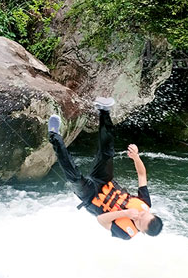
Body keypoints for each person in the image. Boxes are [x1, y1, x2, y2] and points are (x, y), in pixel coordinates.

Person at [48, 98, 163, 240]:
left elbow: (101, 220)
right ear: (151, 213)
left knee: (74, 177)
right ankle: (104, 111)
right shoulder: (145, 204)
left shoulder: (126, 233)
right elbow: (142, 175)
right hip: (105, 182)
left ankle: (54, 135)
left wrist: (125, 214)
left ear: (143, 231)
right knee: (107, 153)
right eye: (144, 215)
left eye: (140, 221)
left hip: (90, 197)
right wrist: (136, 157)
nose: (140, 215)